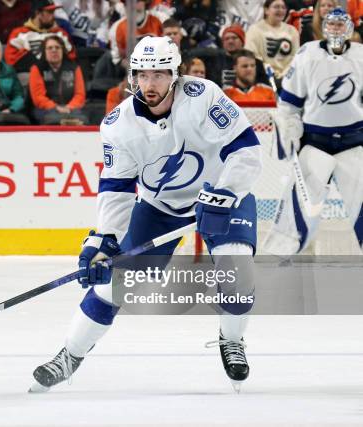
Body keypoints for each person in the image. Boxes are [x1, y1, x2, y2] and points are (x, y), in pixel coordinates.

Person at [29, 36, 262, 392]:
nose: (149, 84)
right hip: (159, 208)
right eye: (142, 75)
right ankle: (69, 355)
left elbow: (246, 151)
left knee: (238, 272)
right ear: (132, 76)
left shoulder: (204, 96)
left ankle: (232, 340)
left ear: (175, 74)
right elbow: (117, 188)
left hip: (220, 194)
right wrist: (104, 239)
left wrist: (224, 194)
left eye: (159, 75)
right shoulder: (117, 125)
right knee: (112, 286)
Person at [265, 8, 362, 255]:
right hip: (316, 140)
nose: (336, 30)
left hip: (355, 141)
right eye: (333, 24)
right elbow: (288, 104)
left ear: (350, 29)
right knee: (299, 198)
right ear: (323, 27)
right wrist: (289, 126)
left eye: (342, 25)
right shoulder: (308, 54)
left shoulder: (361, 56)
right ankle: (282, 251)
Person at [29, 35, 88, 125]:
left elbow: (80, 95)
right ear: (44, 52)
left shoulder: (74, 68)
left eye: (57, 47)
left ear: (62, 50)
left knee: (82, 118)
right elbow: (38, 97)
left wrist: (70, 107)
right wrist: (56, 107)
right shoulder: (37, 69)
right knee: (52, 119)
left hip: (71, 108)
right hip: (46, 109)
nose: (54, 50)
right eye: (50, 48)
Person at [5, 0, 76, 72]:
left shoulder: (60, 33)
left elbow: (72, 58)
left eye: (53, 12)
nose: (53, 16)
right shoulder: (19, 33)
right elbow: (11, 63)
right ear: (38, 13)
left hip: (59, 78)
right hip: (30, 78)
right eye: (50, 12)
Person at [245, 0, 299, 85]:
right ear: (266, 10)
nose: (280, 10)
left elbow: (296, 58)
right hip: (262, 79)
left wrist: (284, 75)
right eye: (276, 7)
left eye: (283, 7)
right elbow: (252, 55)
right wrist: (269, 73)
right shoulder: (254, 30)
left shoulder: (292, 31)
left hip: (288, 79)